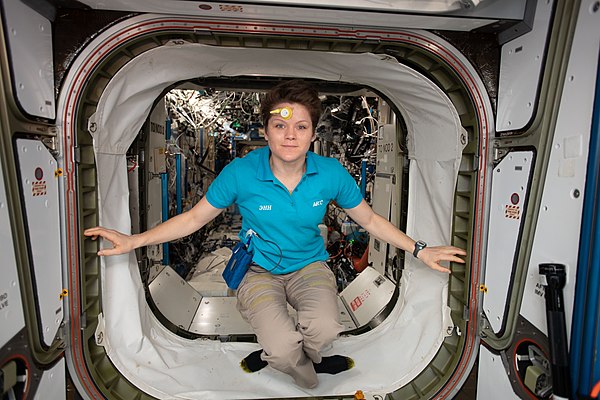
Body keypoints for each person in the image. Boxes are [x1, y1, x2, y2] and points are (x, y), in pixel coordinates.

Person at [84, 79, 466, 389]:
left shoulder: (330, 174)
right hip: (258, 270)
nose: (289, 135)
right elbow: (193, 219)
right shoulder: (241, 172)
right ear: (265, 130)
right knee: (285, 349)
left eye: (300, 127)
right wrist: (134, 241)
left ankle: (293, 353)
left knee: (326, 327)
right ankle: (290, 360)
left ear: (313, 133)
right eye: (280, 125)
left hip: (310, 267)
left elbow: (370, 221)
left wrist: (420, 249)